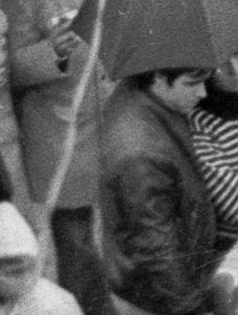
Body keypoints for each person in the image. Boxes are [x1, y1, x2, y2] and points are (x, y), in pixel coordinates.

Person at [95, 66, 221, 315]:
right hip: (154, 298)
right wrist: (192, 308)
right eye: (192, 83)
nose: (203, 93)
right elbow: (155, 243)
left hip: (158, 283)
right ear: (159, 79)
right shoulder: (140, 153)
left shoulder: (144, 98)